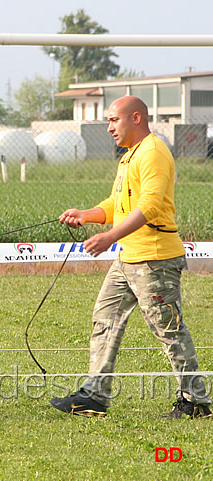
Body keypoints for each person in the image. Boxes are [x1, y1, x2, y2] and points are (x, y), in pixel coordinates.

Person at [50, 96, 211, 419]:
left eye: (113, 120)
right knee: (105, 318)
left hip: (154, 259)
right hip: (129, 258)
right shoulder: (129, 157)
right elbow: (116, 204)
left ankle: (195, 402)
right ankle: (95, 396)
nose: (109, 127)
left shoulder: (152, 153)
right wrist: (86, 215)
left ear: (136, 118)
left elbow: (149, 206)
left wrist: (110, 236)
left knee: (168, 329)